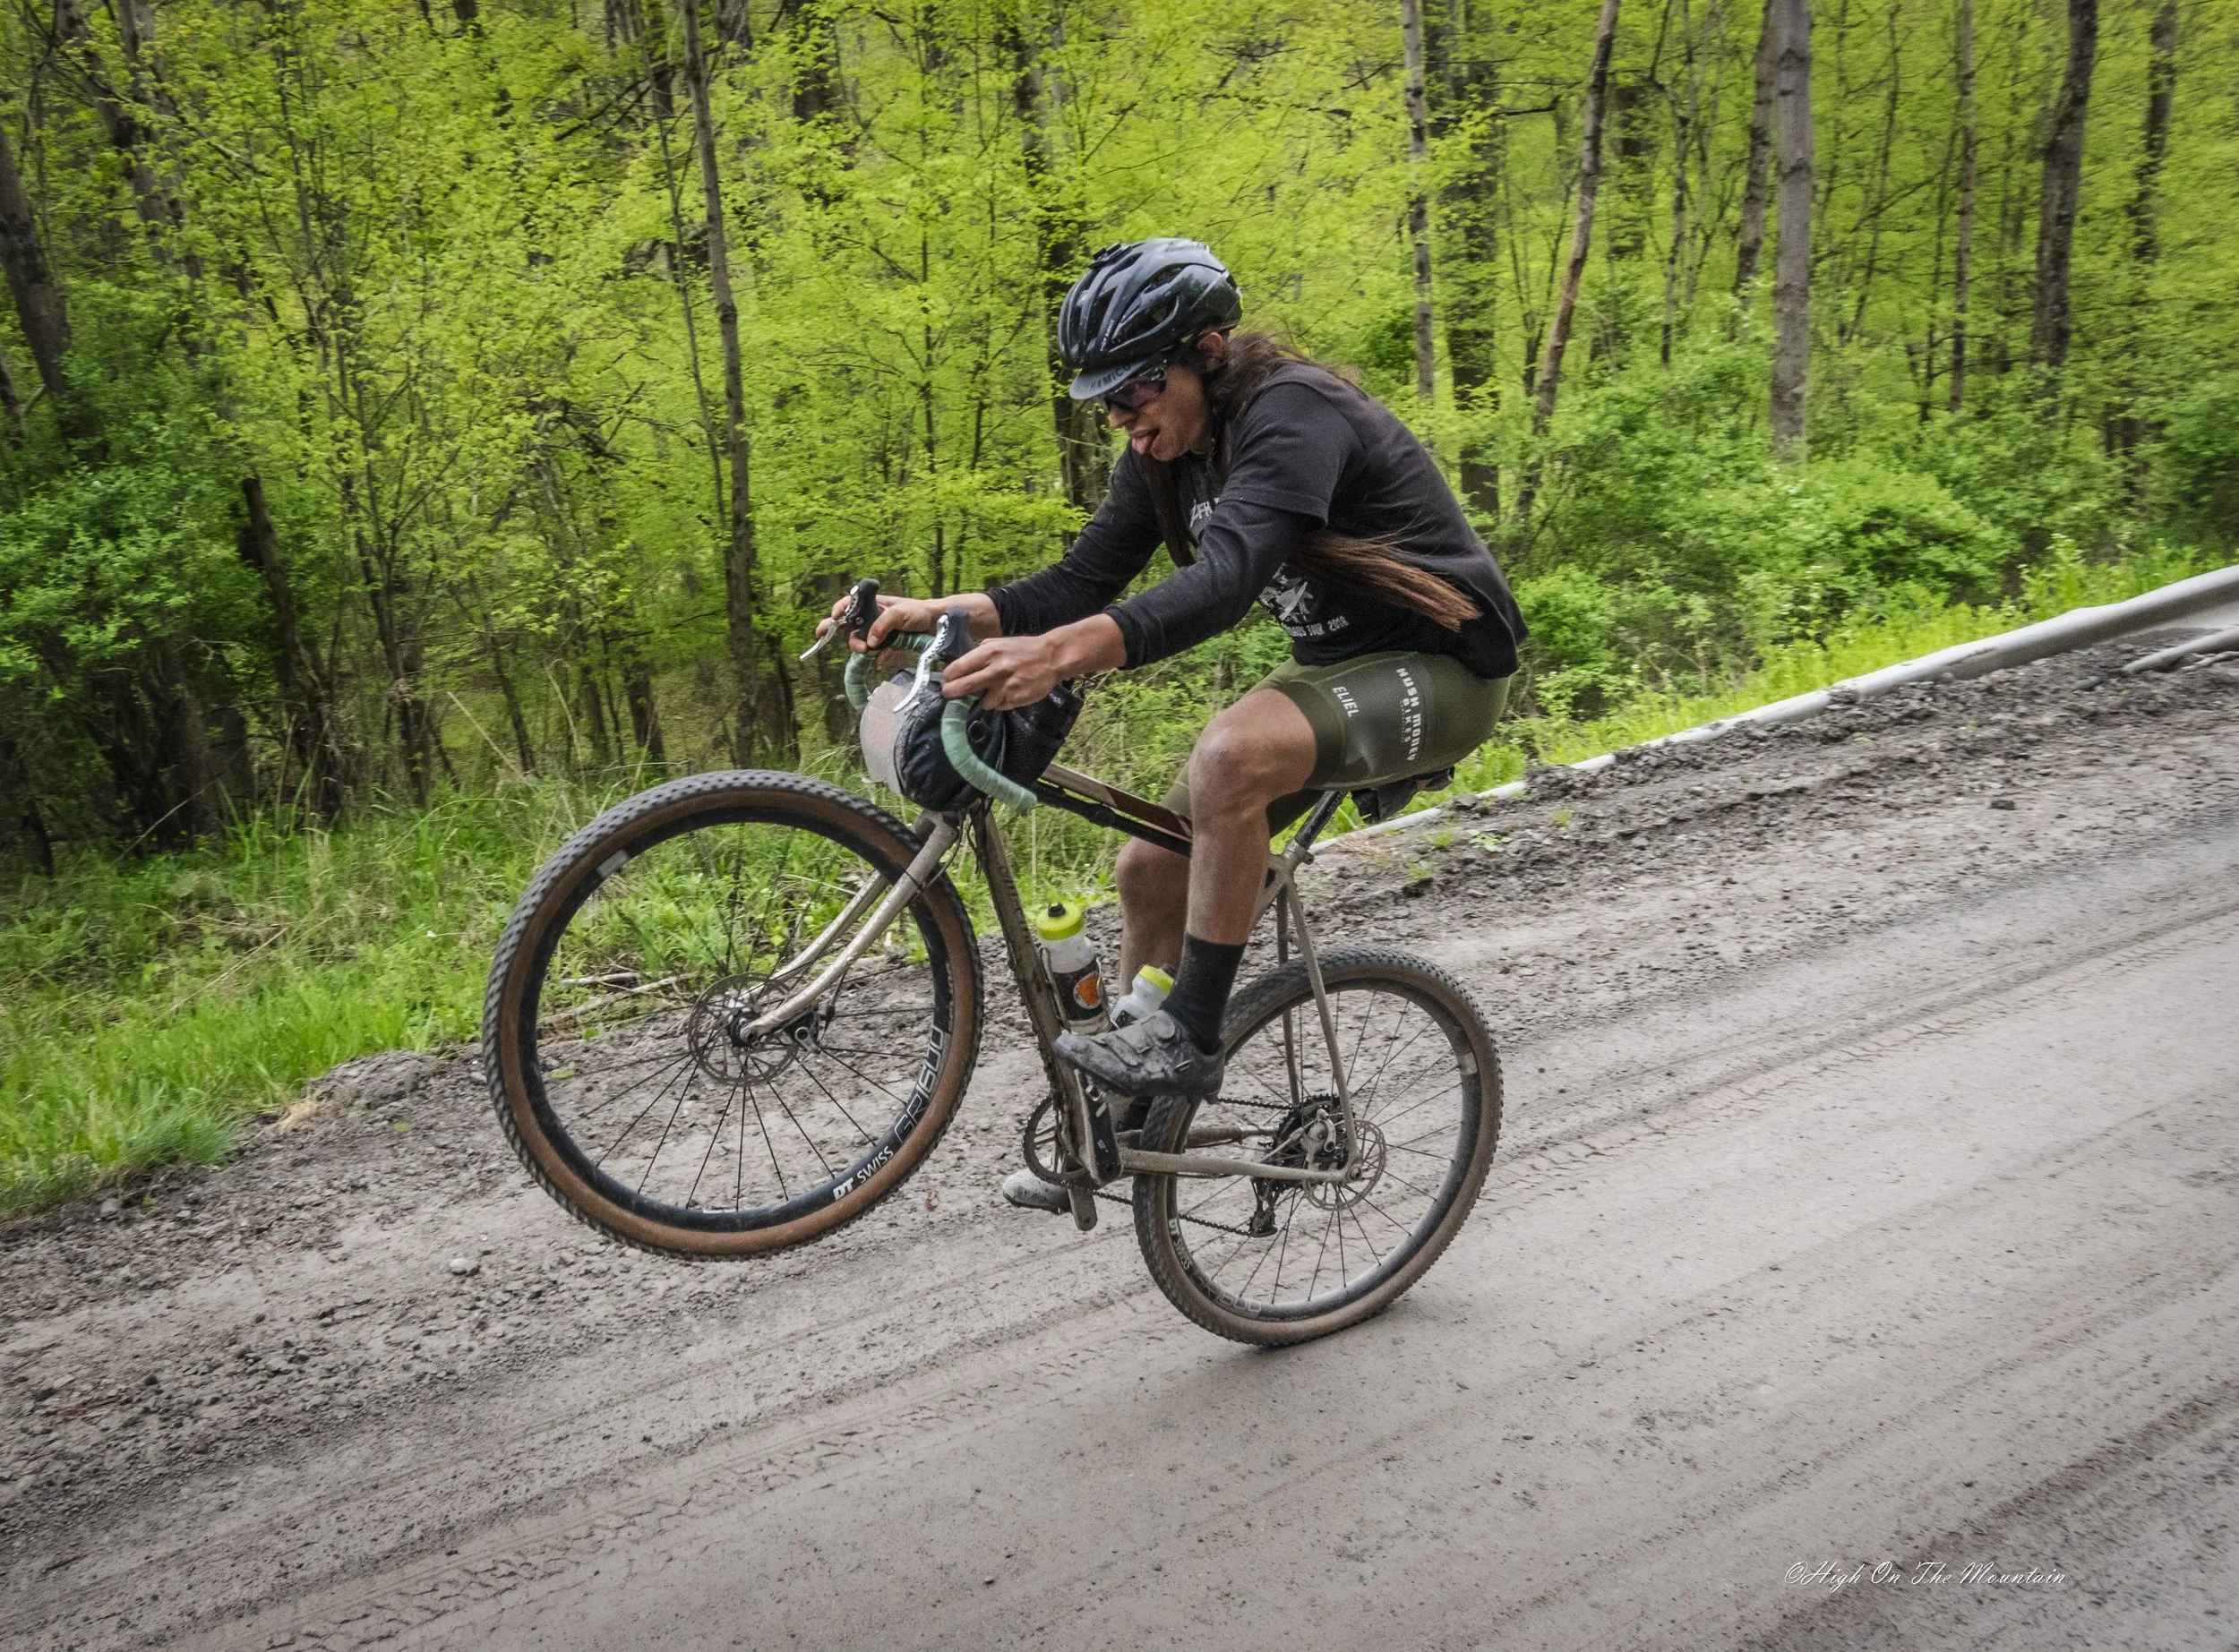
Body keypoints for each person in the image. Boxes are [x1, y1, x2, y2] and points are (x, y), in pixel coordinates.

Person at [819, 238, 1527, 1212]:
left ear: (1205, 349)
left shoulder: (1293, 413)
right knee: (1152, 866)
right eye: (1104, 402)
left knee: (1230, 754)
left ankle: (1188, 1036)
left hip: (1442, 670)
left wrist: (1060, 655)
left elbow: (1224, 583)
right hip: (1342, 669)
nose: (1122, 417)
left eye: (1136, 391)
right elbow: (1076, 583)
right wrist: (935, 614)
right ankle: (1137, 1128)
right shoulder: (1161, 455)